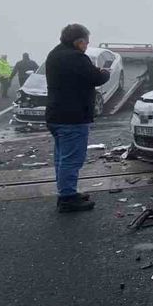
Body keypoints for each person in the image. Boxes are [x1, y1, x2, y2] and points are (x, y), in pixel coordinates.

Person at [46, 24, 109, 212]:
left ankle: (67, 192)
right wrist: (103, 72)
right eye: (86, 42)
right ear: (78, 42)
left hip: (57, 114)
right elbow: (96, 78)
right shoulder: (75, 58)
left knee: (62, 158)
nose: (87, 46)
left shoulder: (55, 54)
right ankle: (67, 198)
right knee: (71, 159)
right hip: (72, 117)